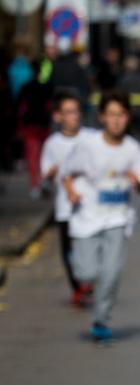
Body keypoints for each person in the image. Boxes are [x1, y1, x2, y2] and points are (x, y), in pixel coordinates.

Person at [62, 90, 140, 343]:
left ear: (128, 117)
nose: (117, 120)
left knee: (111, 272)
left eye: (122, 115)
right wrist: (71, 192)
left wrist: (138, 183)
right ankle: (77, 261)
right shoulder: (88, 145)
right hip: (87, 217)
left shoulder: (132, 149)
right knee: (86, 273)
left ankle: (101, 320)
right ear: (102, 117)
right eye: (111, 115)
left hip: (118, 218)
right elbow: (66, 172)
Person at [41, 91, 91, 306]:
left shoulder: (90, 137)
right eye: (68, 112)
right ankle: (77, 287)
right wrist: (52, 171)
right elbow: (45, 174)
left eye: (76, 112)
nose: (74, 116)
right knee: (68, 249)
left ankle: (87, 277)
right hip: (65, 206)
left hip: (89, 205)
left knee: (87, 246)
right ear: (57, 117)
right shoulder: (52, 143)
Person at [15, 60, 52, 199]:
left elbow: (20, 109)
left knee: (32, 157)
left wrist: (19, 126)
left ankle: (35, 185)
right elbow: (49, 106)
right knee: (44, 156)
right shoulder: (47, 87)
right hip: (42, 124)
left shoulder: (26, 87)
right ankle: (43, 181)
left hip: (30, 125)